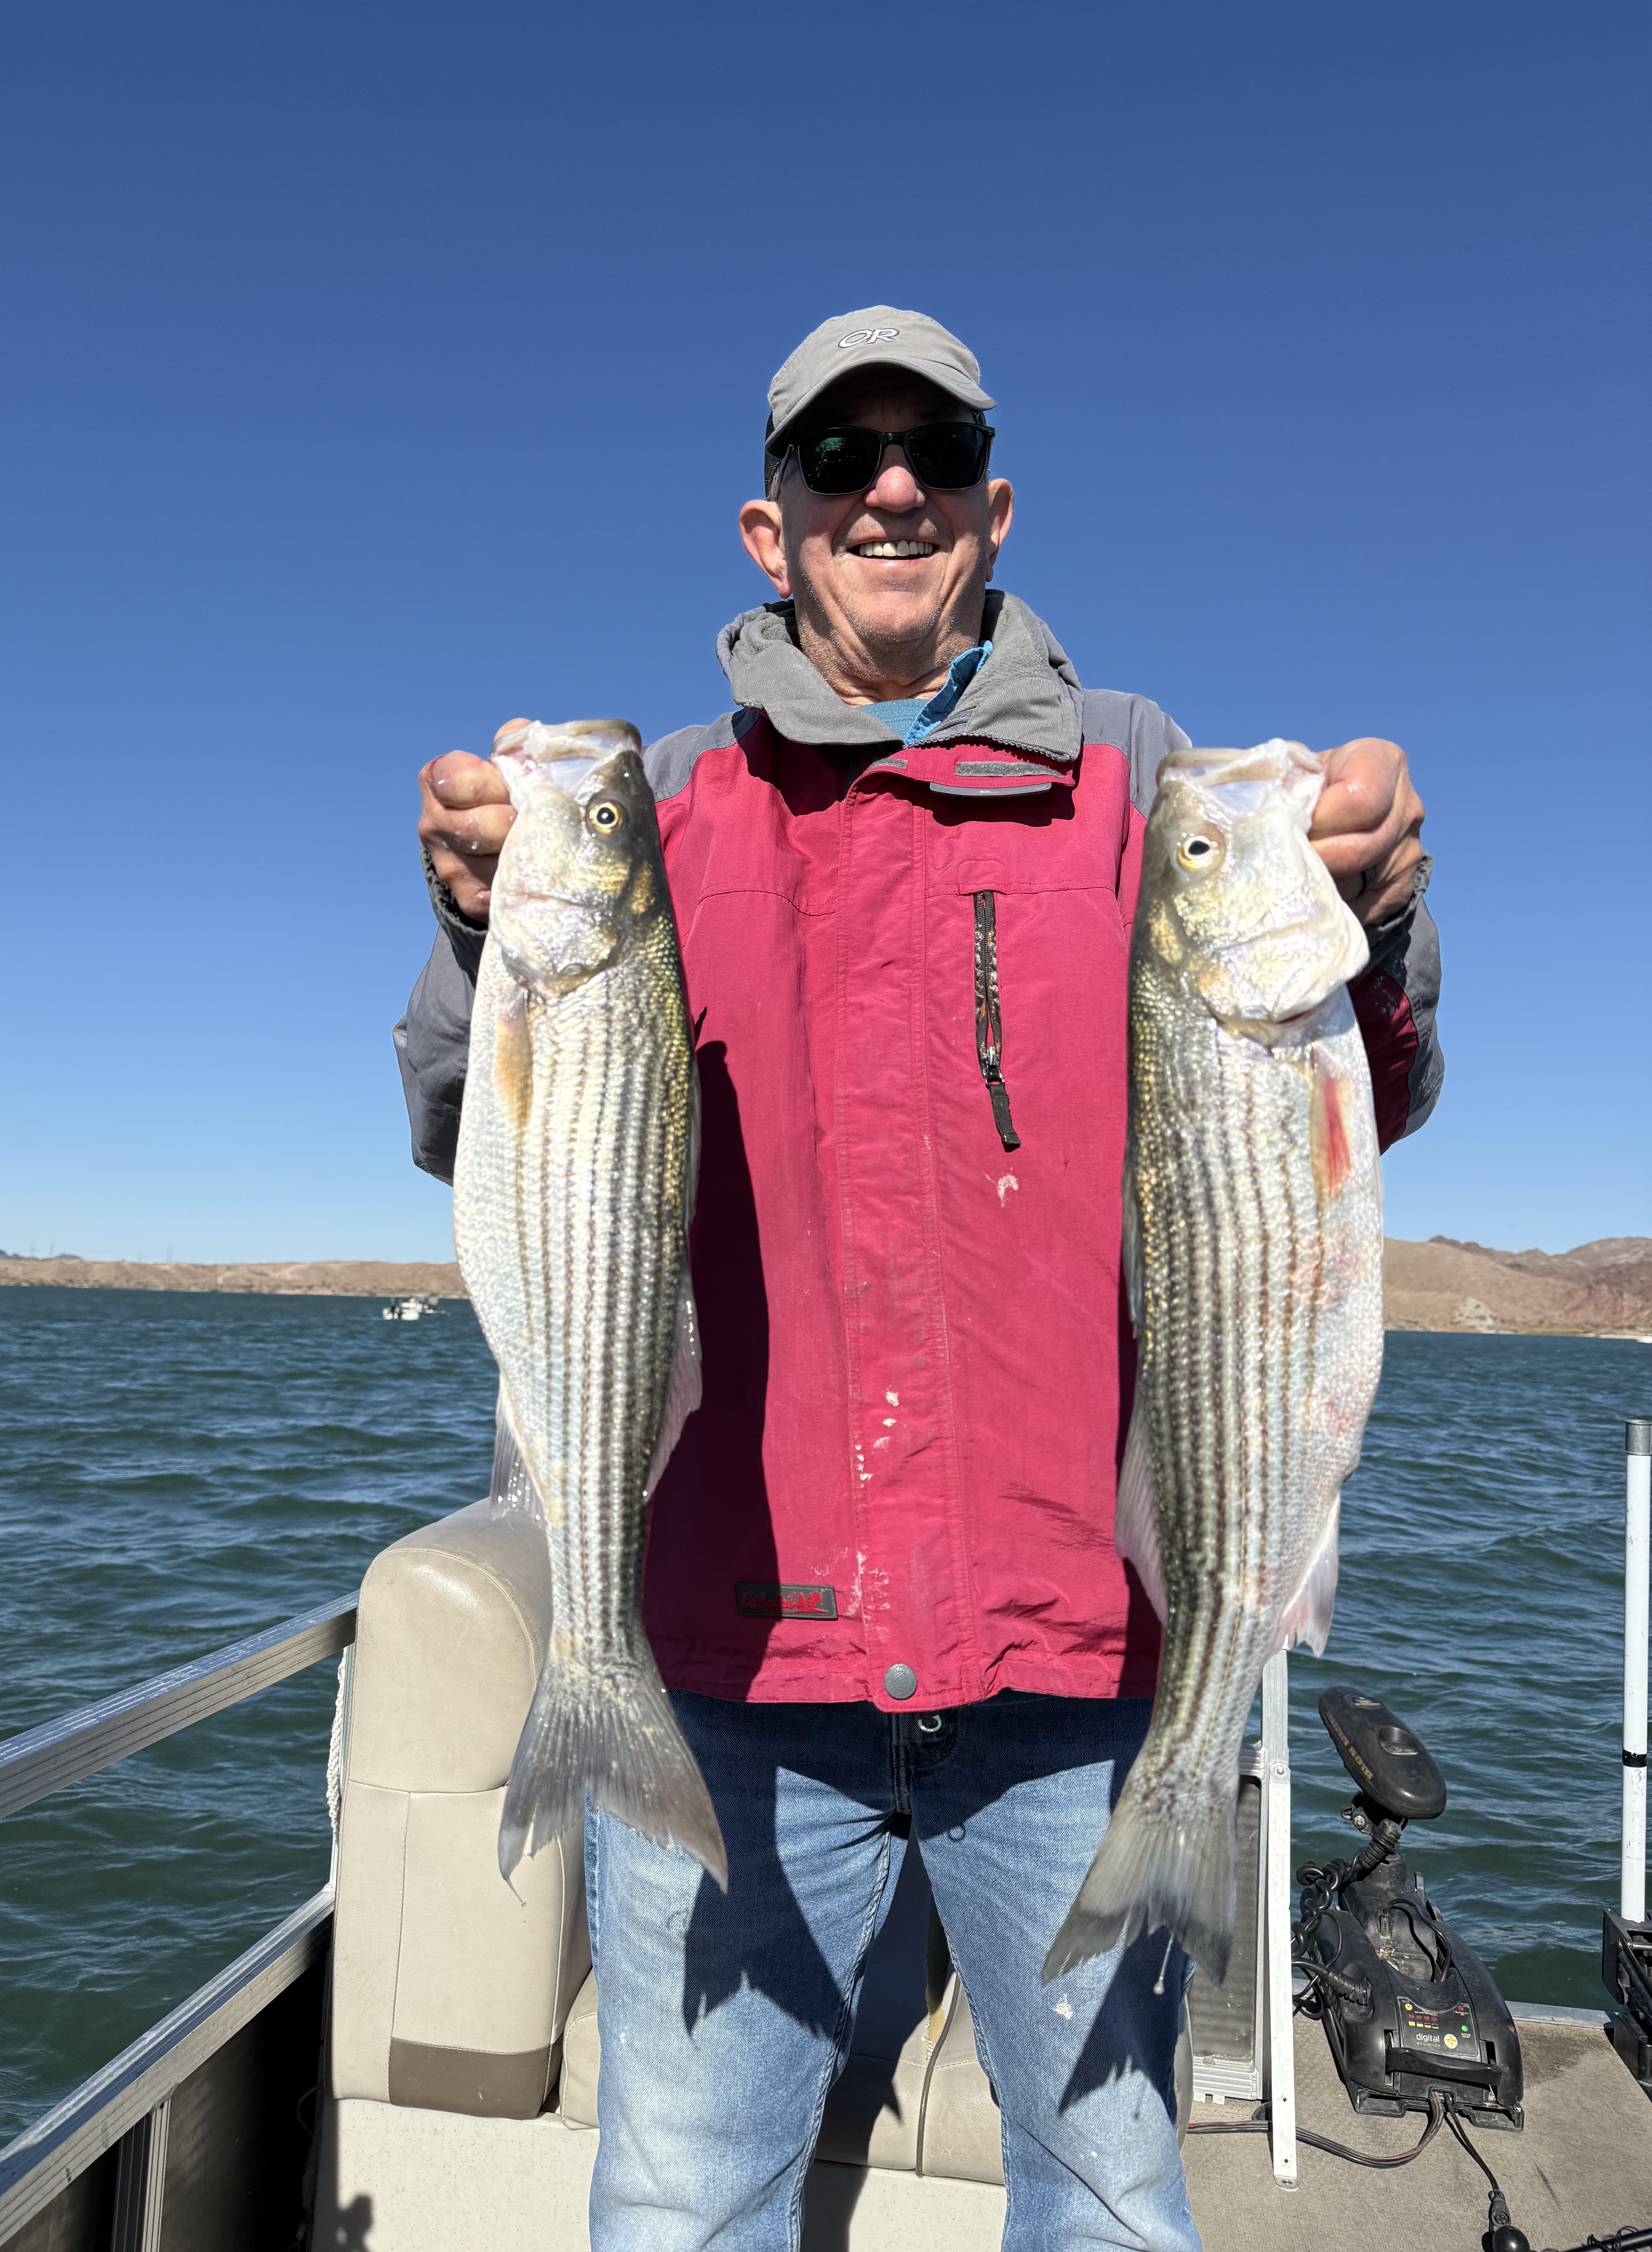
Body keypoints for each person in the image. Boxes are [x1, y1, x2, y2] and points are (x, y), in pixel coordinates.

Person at [395, 307, 1441, 2250]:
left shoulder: (1140, 781)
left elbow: (1346, 1106)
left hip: (1063, 1660)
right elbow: (483, 1134)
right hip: (730, 1664)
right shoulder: (669, 804)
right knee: (686, 2194)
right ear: (764, 526)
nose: (890, 490)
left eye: (935, 453)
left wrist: (1376, 925)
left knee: (1118, 2196)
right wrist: (477, 933)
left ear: (995, 506)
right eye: (838, 462)